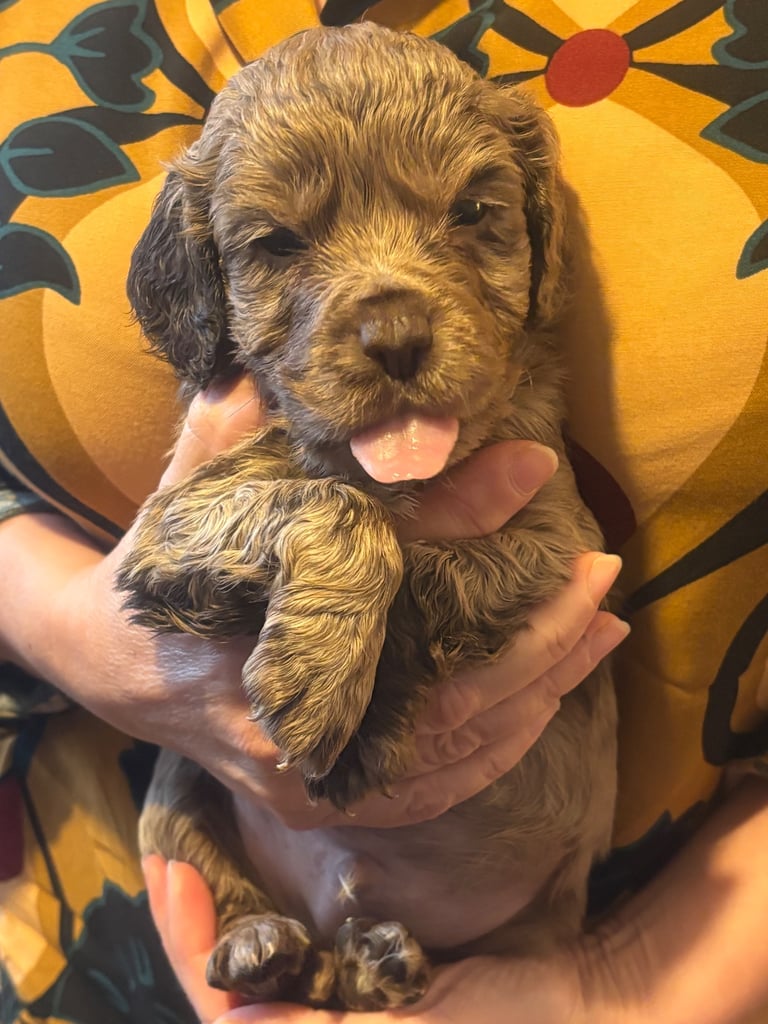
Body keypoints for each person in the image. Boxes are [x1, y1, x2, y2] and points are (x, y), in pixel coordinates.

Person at [0, 1, 765, 1023]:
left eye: (467, 216)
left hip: (573, 940)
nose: (391, 316)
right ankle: (270, 933)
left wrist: (613, 987)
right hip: (108, 917)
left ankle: (366, 956)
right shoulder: (247, 420)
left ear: (537, 228)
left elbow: (546, 579)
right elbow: (163, 559)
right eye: (277, 245)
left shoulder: (521, 420)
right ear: (206, 282)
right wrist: (75, 631)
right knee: (192, 799)